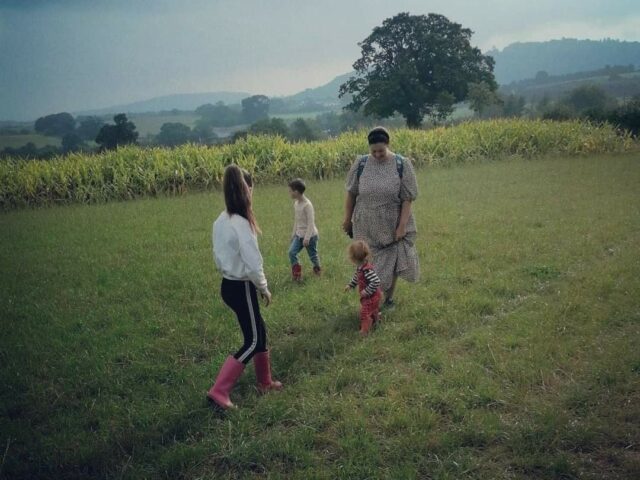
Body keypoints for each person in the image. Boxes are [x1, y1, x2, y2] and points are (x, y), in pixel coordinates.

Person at [207, 165, 282, 410]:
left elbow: (219, 254)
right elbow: (252, 262)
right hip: (242, 287)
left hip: (228, 284)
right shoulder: (241, 223)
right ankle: (220, 391)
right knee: (253, 339)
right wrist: (264, 287)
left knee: (259, 329)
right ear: (247, 189)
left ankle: (265, 382)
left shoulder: (221, 219)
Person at [342, 126, 420, 309]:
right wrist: (347, 219)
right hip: (365, 222)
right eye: (374, 151)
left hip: (391, 223)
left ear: (388, 145)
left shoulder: (402, 164)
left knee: (391, 259)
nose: (377, 155)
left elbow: (408, 198)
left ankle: (388, 298)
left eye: (381, 151)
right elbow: (351, 194)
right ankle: (370, 299)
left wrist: (401, 226)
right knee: (366, 261)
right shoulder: (360, 164)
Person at [344, 240, 382, 336]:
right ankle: (376, 320)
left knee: (364, 312)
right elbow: (357, 277)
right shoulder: (360, 267)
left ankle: (364, 330)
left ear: (353, 258)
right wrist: (351, 285)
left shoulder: (367, 270)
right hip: (371, 296)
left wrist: (366, 291)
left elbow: (376, 281)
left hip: (371, 297)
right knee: (373, 309)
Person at [287, 178, 321, 281]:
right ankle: (297, 273)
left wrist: (307, 238)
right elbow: (296, 220)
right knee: (291, 252)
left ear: (296, 192)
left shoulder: (307, 205)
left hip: (310, 236)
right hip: (299, 235)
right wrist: (293, 234)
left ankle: (317, 269)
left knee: (313, 255)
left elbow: (311, 223)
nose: (289, 193)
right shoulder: (296, 204)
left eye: (290, 191)